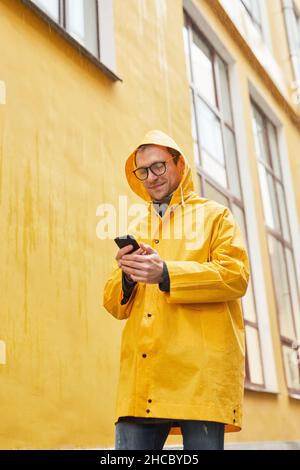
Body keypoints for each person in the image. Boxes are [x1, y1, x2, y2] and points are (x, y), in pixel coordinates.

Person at [103, 129, 250, 450]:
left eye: (159, 166)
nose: (151, 177)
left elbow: (235, 276)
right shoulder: (138, 226)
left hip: (200, 377)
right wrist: (128, 276)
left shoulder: (216, 217)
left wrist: (166, 273)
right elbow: (115, 306)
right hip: (144, 377)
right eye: (142, 171)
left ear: (179, 164)